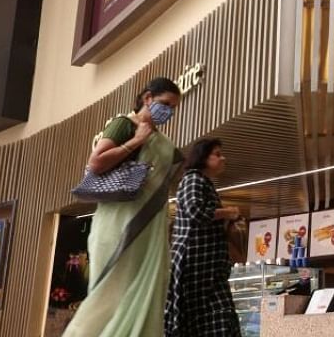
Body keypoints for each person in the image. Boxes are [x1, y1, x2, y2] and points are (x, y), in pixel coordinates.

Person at [63, 78, 184, 337]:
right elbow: (96, 163)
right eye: (165, 104)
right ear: (148, 98)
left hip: (150, 231)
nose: (169, 112)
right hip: (118, 227)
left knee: (146, 291)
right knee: (108, 296)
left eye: (173, 108)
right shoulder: (124, 124)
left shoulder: (163, 141)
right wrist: (136, 141)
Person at [164, 138, 242, 337]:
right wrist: (228, 212)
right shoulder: (193, 179)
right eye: (217, 154)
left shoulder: (201, 181)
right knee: (215, 320)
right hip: (196, 267)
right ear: (202, 157)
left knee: (208, 322)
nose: (223, 158)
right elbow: (195, 211)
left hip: (205, 268)